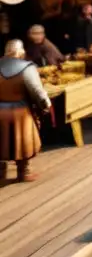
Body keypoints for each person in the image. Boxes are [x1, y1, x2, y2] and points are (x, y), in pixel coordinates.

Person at [0, 39, 53, 183]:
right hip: (21, 113)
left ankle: (0, 173)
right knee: (23, 141)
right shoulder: (27, 67)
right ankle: (24, 172)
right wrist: (46, 105)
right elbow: (37, 91)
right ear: (21, 52)